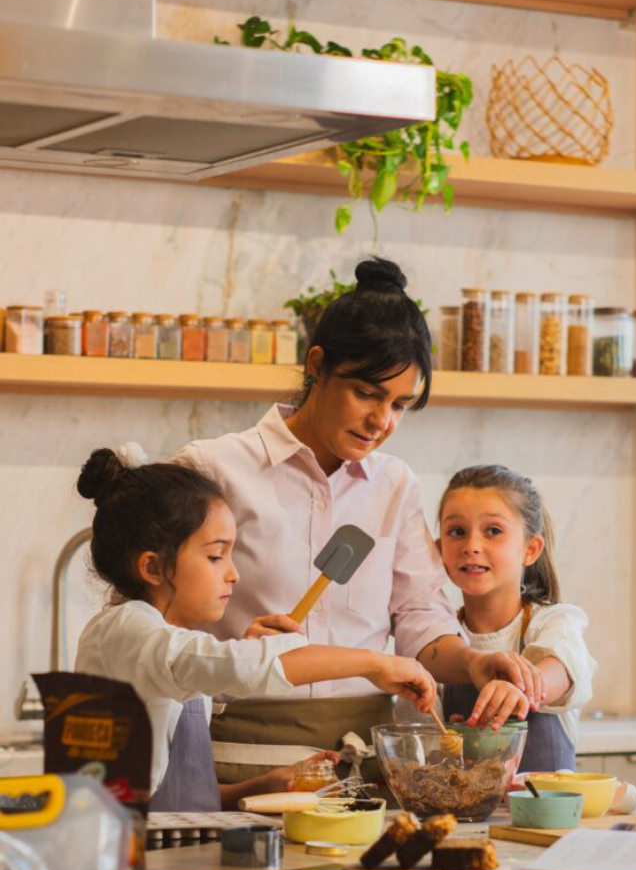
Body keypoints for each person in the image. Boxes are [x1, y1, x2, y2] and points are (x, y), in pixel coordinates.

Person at [176, 257, 539, 786]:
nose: (382, 422)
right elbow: (159, 618)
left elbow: (418, 614)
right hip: (245, 762)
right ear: (317, 365)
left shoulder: (394, 484)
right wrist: (234, 649)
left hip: (366, 769)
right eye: (367, 393)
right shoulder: (214, 470)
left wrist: (474, 662)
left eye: (400, 404)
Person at [73, 447, 437, 811]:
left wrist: (263, 785)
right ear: (152, 568)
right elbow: (228, 666)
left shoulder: (168, 644)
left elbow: (182, 794)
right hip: (115, 850)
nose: (234, 573)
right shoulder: (125, 630)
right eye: (216, 556)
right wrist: (374, 663)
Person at [437, 463, 597, 772]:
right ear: (438, 546)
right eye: (456, 532)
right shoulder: (437, 642)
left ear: (531, 549)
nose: (471, 546)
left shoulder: (554, 623)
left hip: (546, 821)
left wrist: (519, 688)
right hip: (460, 821)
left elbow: (562, 667)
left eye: (493, 531)